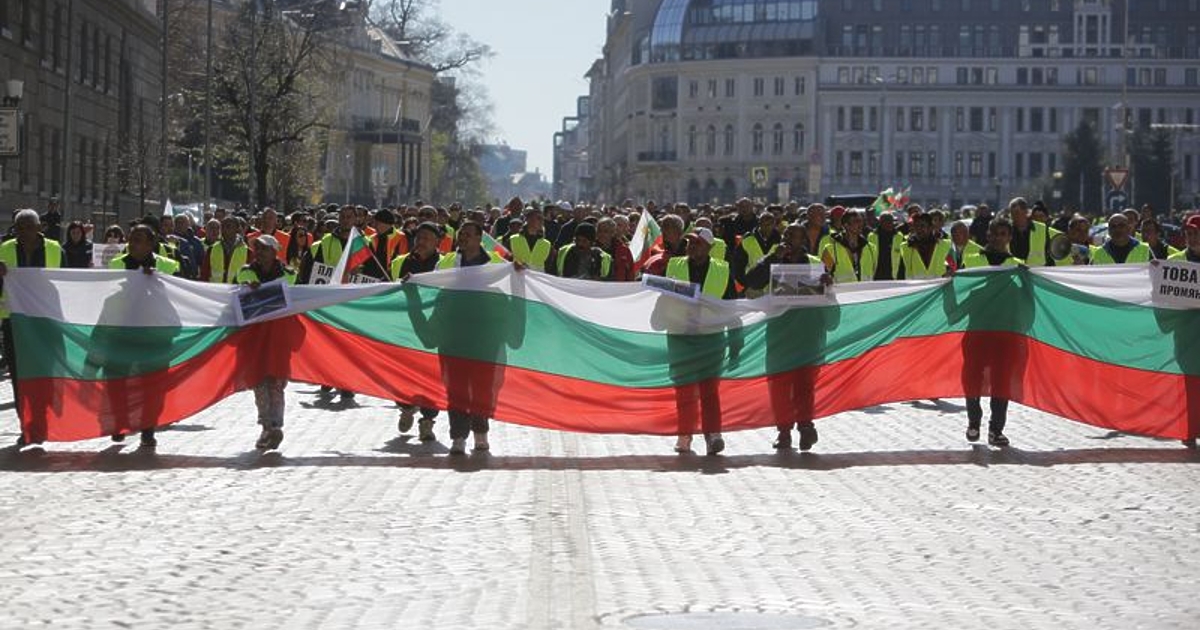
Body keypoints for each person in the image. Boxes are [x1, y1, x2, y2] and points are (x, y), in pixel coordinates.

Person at [743, 222, 830, 451]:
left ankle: (805, 427)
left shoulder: (814, 263)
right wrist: (772, 258)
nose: (793, 240)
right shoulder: (774, 259)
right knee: (779, 385)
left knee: (804, 385)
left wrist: (828, 284)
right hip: (779, 333)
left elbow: (828, 293)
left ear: (804, 241)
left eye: (798, 236)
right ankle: (783, 432)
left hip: (807, 333)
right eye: (789, 236)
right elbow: (751, 281)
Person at [107, 224, 182, 448]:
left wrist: (156, 281)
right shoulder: (115, 264)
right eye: (131, 239)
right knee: (117, 382)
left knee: (152, 384)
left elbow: (181, 294)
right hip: (122, 332)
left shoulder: (168, 266)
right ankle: (120, 422)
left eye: (139, 239)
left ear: (151, 244)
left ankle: (148, 428)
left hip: (155, 334)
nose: (132, 243)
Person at [665, 227, 735, 455]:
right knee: (683, 389)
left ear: (710, 247)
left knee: (709, 389)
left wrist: (736, 340)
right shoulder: (674, 265)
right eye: (689, 242)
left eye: (697, 243)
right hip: (680, 336)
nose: (692, 246)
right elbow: (658, 293)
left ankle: (713, 434)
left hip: (711, 337)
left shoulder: (722, 270)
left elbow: (732, 306)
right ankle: (684, 435)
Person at [0, 210, 64, 446]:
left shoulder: (56, 249)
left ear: (40, 228)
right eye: (20, 227)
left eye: (29, 227)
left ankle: (42, 417)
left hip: (46, 321)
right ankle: (26, 424)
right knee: (19, 376)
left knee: (44, 373)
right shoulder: (4, 249)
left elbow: (68, 283)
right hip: (14, 322)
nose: (24, 232)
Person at [958, 218, 1023, 447]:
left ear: (1009, 237)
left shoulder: (1018, 265)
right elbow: (963, 288)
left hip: (1004, 333)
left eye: (1003, 233)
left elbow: (1023, 300)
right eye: (994, 233)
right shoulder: (972, 260)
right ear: (988, 235)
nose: (998, 237)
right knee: (971, 378)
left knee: (1001, 381)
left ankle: (996, 430)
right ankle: (973, 422)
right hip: (977, 329)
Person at [237, 236, 296, 451]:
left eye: (264, 249)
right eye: (257, 249)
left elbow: (296, 297)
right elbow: (239, 294)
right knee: (259, 383)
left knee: (276, 382)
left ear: (275, 251)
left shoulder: (290, 274)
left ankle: (275, 425)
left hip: (280, 337)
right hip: (254, 338)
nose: (259, 252)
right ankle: (268, 426)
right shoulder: (246, 272)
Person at [391, 222, 445, 442]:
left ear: (437, 243)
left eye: (426, 238)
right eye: (419, 237)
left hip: (434, 327)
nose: (421, 242)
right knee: (402, 371)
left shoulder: (445, 265)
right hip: (405, 327)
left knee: (432, 375)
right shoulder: (399, 263)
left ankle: (428, 421)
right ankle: (405, 407)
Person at [821, 209, 878, 284]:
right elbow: (823, 274)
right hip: (842, 293)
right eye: (856, 221)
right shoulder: (830, 249)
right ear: (846, 225)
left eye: (861, 221)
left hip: (865, 293)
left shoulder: (871, 248)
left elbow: (873, 272)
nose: (860, 224)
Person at [733, 212, 781, 298]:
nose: (766, 227)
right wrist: (746, 284)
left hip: (775, 288)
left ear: (774, 224)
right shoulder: (748, 240)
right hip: (753, 288)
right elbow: (738, 265)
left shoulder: (781, 241)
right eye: (764, 224)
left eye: (770, 224)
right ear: (759, 224)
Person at [895, 213, 952, 280]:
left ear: (931, 227)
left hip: (939, 288)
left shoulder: (945, 245)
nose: (918, 229)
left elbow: (953, 268)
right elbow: (900, 273)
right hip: (916, 288)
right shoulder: (905, 247)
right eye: (916, 226)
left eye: (922, 226)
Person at [201, 216, 250, 283]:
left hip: (237, 291)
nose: (224, 230)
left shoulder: (247, 252)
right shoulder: (212, 249)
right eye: (222, 227)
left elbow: (251, 275)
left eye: (228, 226)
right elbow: (204, 274)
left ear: (237, 229)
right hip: (216, 291)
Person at [1007, 197, 1054, 267]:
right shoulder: (1007, 229)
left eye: (1017, 213)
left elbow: (1049, 253)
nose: (1013, 216)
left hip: (1036, 272)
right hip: (1013, 272)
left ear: (1025, 211)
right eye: (1011, 213)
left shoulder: (1041, 228)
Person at [506, 207, 554, 272]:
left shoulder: (547, 244)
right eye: (539, 218)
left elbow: (549, 270)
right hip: (516, 280)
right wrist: (513, 263)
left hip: (537, 281)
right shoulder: (513, 240)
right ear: (528, 219)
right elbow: (503, 259)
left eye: (543, 219)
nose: (542, 221)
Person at [595, 217, 635, 281]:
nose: (601, 234)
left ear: (613, 233)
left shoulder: (623, 250)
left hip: (618, 288)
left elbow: (630, 273)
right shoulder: (590, 248)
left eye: (606, 231)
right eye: (599, 230)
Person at [869, 211, 901, 280]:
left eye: (891, 221)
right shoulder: (872, 236)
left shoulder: (899, 236)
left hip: (894, 275)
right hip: (876, 275)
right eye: (887, 221)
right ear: (881, 222)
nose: (890, 224)